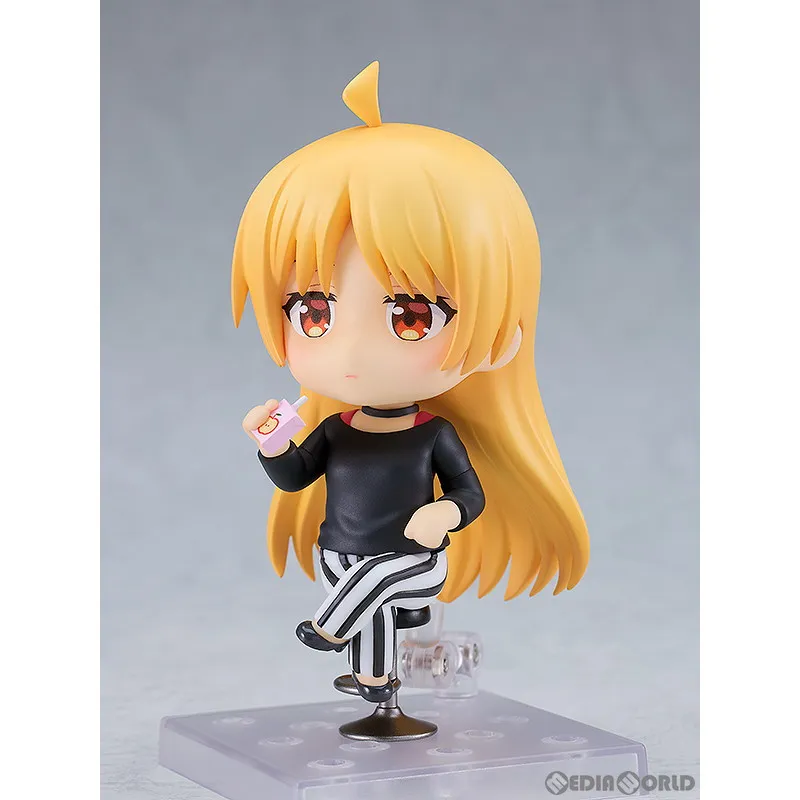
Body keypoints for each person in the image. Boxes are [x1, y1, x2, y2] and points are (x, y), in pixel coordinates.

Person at [233, 62, 589, 702]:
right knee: (366, 600)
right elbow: (294, 477)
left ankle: (330, 627)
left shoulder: (433, 434)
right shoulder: (336, 429)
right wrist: (273, 445)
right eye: (313, 312)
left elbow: (469, 493)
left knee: (378, 586)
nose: (350, 350)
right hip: (340, 555)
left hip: (412, 561)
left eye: (411, 317)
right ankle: (375, 682)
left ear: (501, 334)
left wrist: (446, 512)